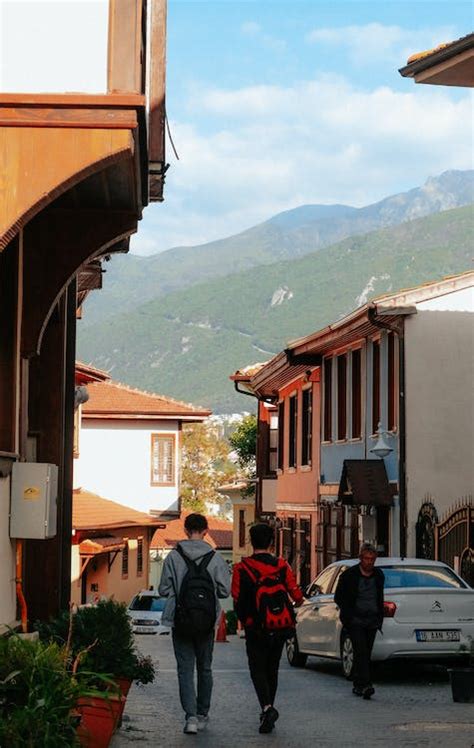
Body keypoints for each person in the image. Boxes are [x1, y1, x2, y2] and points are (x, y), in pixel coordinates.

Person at [159, 513, 231, 735]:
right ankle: (202, 714)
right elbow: (224, 591)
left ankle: (190, 717)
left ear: (185, 530)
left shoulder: (173, 557)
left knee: (185, 669)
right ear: (206, 531)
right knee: (205, 668)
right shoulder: (215, 557)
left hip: (180, 620)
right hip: (207, 622)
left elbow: (163, 589)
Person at [232, 523, 303, 734]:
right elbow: (296, 595)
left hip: (256, 628)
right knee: (272, 670)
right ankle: (267, 711)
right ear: (272, 542)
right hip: (279, 626)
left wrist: (246, 620)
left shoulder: (241, 568)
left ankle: (267, 708)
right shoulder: (282, 566)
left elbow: (237, 599)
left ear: (250, 542)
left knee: (257, 670)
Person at [334, 542, 385, 699]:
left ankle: (358, 684)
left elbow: (379, 596)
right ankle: (366, 685)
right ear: (360, 558)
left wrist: (378, 615)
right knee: (360, 650)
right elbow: (339, 597)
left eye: (372, 559)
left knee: (366, 652)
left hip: (372, 620)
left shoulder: (378, 575)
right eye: (367, 559)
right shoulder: (349, 576)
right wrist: (349, 613)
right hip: (355, 620)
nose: (369, 562)